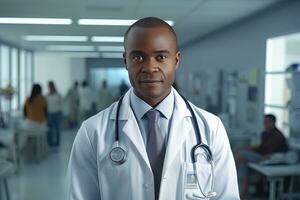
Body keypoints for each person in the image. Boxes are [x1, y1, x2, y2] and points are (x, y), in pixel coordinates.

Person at [67, 17, 239, 200]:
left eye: (161, 57)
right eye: (138, 57)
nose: (150, 68)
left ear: (176, 60)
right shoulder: (92, 131)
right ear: (126, 61)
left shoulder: (211, 128)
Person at [235, 114, 288, 197]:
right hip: (262, 156)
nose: (265, 124)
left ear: (273, 123)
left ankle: (231, 173)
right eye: (264, 122)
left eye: (267, 122)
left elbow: (268, 151)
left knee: (241, 154)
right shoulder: (264, 134)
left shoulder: (278, 135)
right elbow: (261, 147)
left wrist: (252, 150)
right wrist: (250, 148)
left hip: (269, 159)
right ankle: (244, 193)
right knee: (242, 164)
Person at [46, 81, 63, 148]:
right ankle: (50, 143)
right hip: (49, 114)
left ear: (53, 86)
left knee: (57, 129)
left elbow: (61, 104)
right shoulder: (47, 95)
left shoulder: (58, 95)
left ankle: (57, 143)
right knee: (49, 129)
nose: (50, 87)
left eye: (51, 86)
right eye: (49, 86)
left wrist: (60, 112)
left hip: (57, 113)